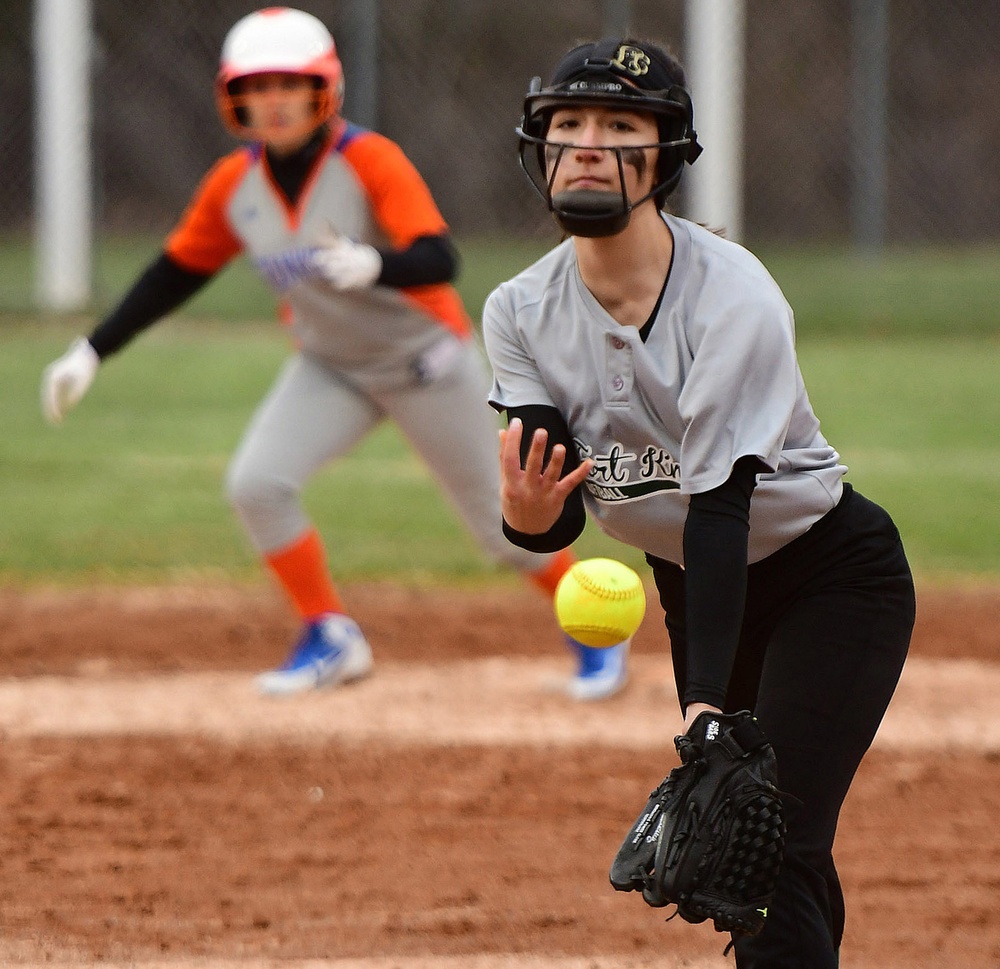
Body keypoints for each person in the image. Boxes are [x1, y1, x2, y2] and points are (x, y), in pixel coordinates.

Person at [39, 7, 632, 701]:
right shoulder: (236, 185)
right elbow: (174, 272)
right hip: (330, 365)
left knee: (502, 530)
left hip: (423, 363)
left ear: (325, 90)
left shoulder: (367, 160)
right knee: (257, 484)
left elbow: (440, 258)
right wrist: (91, 349)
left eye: (290, 82)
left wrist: (375, 263)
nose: (275, 99)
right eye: (258, 87)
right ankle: (330, 633)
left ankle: (598, 632)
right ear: (234, 99)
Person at [482, 37, 915, 967]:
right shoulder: (518, 310)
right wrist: (527, 519)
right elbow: (554, 506)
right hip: (696, 584)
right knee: (763, 838)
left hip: (829, 580)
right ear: (540, 149)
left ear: (666, 154)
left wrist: (707, 707)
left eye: (619, 124)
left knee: (763, 845)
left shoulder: (735, 297)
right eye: (568, 124)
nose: (587, 143)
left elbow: (718, 509)